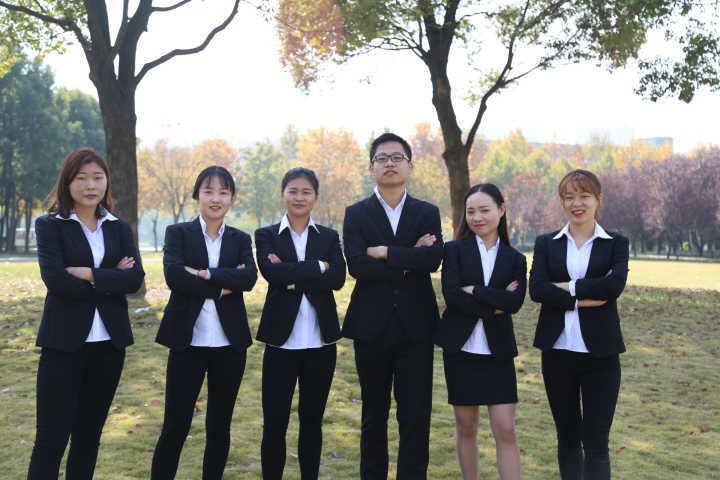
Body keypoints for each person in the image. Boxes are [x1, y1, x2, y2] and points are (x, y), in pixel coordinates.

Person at [28, 147, 145, 479]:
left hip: (109, 346)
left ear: (106, 182)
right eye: (81, 178)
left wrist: (88, 273)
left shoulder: (118, 228)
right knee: (51, 440)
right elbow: (56, 281)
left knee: (88, 438)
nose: (91, 185)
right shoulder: (50, 226)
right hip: (63, 345)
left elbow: (134, 279)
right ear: (67, 182)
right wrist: (110, 277)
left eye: (97, 177)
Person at [342, 132, 443, 479]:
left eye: (397, 157)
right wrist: (409, 256)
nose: (389, 163)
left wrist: (384, 252)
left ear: (409, 166)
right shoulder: (356, 213)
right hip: (371, 327)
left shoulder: (426, 212)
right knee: (374, 414)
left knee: (415, 416)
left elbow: (432, 260)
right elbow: (358, 265)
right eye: (382, 158)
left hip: (417, 327)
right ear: (371, 168)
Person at [151, 166, 257, 480]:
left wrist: (203, 273)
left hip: (230, 347)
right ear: (197, 194)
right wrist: (223, 287)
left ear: (232, 198)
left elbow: (248, 279)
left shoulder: (240, 239)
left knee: (219, 426)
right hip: (187, 344)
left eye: (223, 192)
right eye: (209, 191)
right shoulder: (178, 233)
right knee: (175, 425)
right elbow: (174, 276)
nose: (216, 198)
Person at [529, 169, 629, 480]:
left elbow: (613, 287)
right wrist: (582, 298)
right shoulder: (547, 243)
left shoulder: (616, 243)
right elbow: (537, 290)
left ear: (598, 199)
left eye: (584, 196)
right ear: (562, 202)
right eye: (569, 197)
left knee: (596, 442)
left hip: (601, 357)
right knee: (568, 437)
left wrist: (566, 287)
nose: (577, 203)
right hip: (557, 354)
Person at [255, 167, 346, 479]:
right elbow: (272, 274)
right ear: (283, 194)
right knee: (274, 423)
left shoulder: (329, 237)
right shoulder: (266, 235)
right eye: (293, 191)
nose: (299, 197)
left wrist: (291, 275)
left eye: (306, 192)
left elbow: (338, 278)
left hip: (321, 344)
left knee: (312, 422)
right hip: (280, 345)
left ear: (315, 197)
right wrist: (318, 267)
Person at [434, 183, 526, 480]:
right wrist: (495, 302)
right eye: (471, 211)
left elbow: (514, 303)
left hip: (498, 352)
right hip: (460, 350)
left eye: (484, 210)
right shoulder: (454, 251)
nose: (477, 217)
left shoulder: (515, 259)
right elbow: (453, 296)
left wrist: (475, 290)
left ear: (501, 210)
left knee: (505, 428)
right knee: (466, 426)